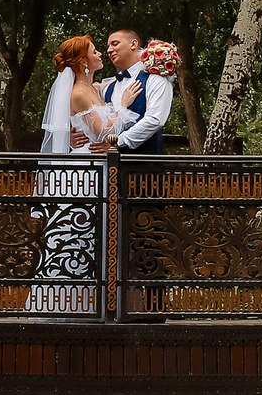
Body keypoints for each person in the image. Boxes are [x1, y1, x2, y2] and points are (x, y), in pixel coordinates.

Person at [26, 36, 116, 316]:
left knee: (96, 234)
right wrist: (123, 106)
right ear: (83, 61)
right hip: (85, 171)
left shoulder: (94, 88)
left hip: (97, 164)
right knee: (76, 235)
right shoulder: (78, 92)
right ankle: (65, 304)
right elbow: (102, 132)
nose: (100, 54)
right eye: (95, 51)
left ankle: (94, 302)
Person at [96, 26, 173, 155]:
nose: (109, 50)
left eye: (115, 43)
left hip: (144, 164)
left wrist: (119, 142)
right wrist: (75, 135)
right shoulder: (108, 87)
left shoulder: (155, 79)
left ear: (133, 44)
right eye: (108, 46)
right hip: (109, 165)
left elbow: (155, 119)